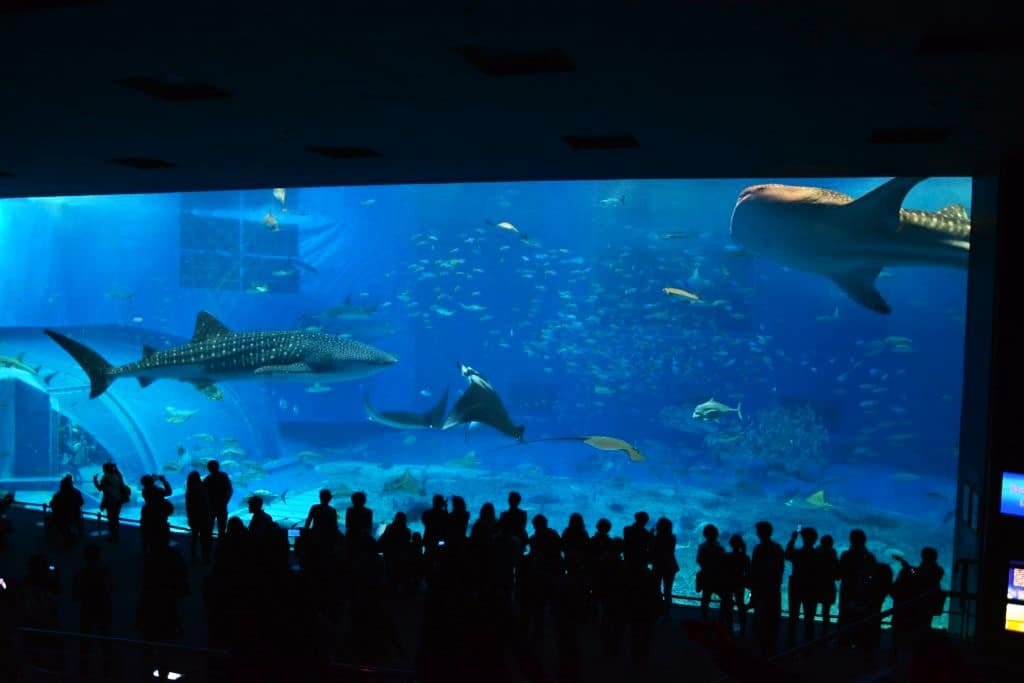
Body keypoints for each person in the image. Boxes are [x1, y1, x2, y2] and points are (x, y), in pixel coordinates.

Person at [749, 521, 784, 653]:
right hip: (773, 587)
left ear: (760, 533)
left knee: (760, 615)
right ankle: (771, 642)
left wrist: (752, 588)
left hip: (761, 587)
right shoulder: (778, 547)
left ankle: (758, 642)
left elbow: (754, 569)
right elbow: (780, 568)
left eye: (758, 530)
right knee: (773, 615)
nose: (757, 533)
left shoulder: (759, 549)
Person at [784, 526, 819, 643]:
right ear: (815, 539)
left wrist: (793, 539)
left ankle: (790, 642)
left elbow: (787, 554)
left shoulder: (798, 553)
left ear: (802, 538)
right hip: (812, 588)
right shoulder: (817, 555)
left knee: (793, 617)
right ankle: (809, 644)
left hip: (796, 586)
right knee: (810, 618)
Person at [720, 534, 751, 637]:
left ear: (730, 544)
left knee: (727, 604)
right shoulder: (745, 557)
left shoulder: (726, 556)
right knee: (740, 604)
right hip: (739, 583)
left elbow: (722, 570)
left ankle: (728, 626)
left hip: (728, 583)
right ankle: (743, 628)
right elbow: (748, 572)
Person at [696, 523, 726, 622]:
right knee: (725, 597)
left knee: (705, 597)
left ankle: (704, 617)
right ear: (717, 534)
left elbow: (699, 560)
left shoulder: (702, 547)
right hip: (717, 576)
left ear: (704, 535)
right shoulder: (720, 548)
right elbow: (723, 562)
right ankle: (721, 618)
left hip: (706, 575)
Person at [650, 517, 679, 617]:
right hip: (670, 566)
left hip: (658, 565)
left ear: (658, 527)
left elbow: (652, 550)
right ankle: (667, 612)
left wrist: (651, 535)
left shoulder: (656, 538)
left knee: (656, 588)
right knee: (668, 590)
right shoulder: (672, 537)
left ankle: (656, 608)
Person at [93, 462, 127, 542]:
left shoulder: (106, 477)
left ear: (105, 469)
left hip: (111, 501)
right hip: (119, 500)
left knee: (111, 519)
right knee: (115, 518)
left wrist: (95, 480)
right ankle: (116, 535)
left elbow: (100, 488)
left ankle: (113, 536)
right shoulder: (118, 475)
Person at [139, 474, 173, 555]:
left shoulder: (144, 490)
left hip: (148, 513)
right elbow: (169, 492)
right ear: (151, 481)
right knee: (161, 532)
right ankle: (161, 551)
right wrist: (164, 481)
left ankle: (147, 552)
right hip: (159, 513)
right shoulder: (157, 490)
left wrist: (153, 480)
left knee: (147, 533)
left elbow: (150, 486)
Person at [185, 471, 212, 564]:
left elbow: (188, 506)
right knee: (204, 538)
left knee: (194, 538)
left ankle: (193, 557)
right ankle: (206, 558)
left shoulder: (189, 490)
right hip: (203, 517)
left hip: (193, 517)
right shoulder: (202, 488)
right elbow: (206, 503)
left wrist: (189, 517)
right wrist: (208, 515)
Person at [49, 474, 84, 544]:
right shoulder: (76, 492)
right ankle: (80, 536)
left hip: (62, 516)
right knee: (78, 524)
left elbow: (52, 504)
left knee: (53, 523)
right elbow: (81, 502)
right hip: (75, 515)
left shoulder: (58, 495)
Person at [815, 534, 840, 632]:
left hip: (815, 585)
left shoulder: (816, 553)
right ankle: (825, 634)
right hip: (828, 586)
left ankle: (810, 635)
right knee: (826, 612)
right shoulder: (832, 554)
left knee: (810, 610)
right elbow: (837, 574)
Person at [203, 460, 233, 538]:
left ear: (208, 468)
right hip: (221, 506)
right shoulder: (223, 476)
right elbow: (230, 490)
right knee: (222, 530)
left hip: (211, 508)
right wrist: (226, 501)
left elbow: (203, 494)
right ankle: (221, 547)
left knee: (208, 530)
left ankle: (207, 548)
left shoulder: (207, 479)